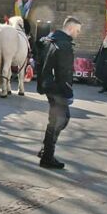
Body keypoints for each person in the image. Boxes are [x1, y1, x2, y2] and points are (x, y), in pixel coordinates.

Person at [36, 16, 82, 169]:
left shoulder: (50, 40)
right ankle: (47, 157)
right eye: (77, 30)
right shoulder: (64, 45)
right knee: (59, 120)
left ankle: (46, 150)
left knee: (56, 120)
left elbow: (40, 60)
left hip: (49, 85)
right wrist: (68, 93)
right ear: (69, 28)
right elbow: (65, 72)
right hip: (57, 88)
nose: (78, 34)